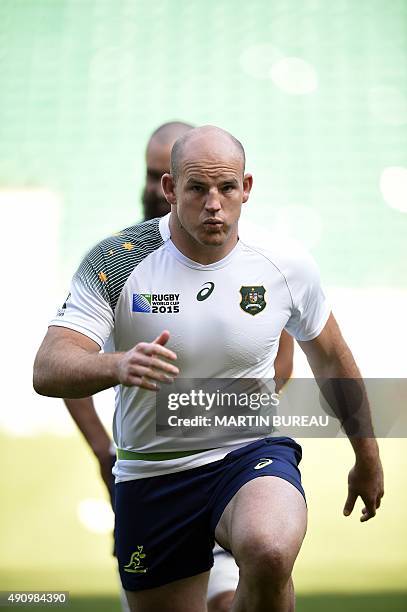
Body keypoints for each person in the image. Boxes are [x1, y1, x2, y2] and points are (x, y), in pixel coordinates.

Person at [34, 125, 383, 612]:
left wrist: (367, 455)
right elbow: (48, 367)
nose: (214, 203)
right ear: (171, 190)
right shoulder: (115, 259)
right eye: (197, 188)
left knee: (270, 547)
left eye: (226, 187)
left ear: (247, 188)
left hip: (248, 456)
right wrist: (118, 364)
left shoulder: (285, 264)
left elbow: (330, 360)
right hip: (152, 476)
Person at [63, 121, 295, 612]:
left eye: (160, 175)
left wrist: (220, 424)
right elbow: (65, 366)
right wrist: (105, 454)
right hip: (153, 477)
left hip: (231, 472)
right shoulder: (122, 261)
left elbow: (281, 361)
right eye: (148, 175)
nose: (151, 187)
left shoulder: (261, 263)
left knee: (246, 577)